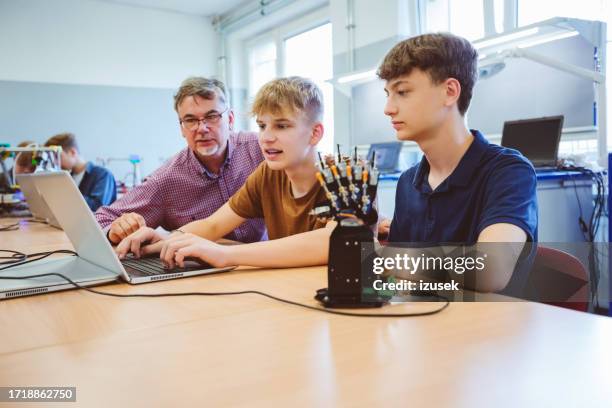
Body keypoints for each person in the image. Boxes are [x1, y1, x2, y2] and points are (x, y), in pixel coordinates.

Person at [115, 77, 337, 269]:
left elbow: (333, 241)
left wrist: (225, 255)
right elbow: (212, 225)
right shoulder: (268, 174)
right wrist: (164, 241)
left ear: (315, 133)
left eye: (281, 126)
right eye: (262, 126)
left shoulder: (345, 179)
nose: (266, 137)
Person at [378, 33, 538, 292]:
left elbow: (489, 270)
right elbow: (397, 281)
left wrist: (380, 257)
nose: (388, 108)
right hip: (422, 325)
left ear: (450, 91)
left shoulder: (508, 172)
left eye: (402, 92)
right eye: (388, 94)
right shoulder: (408, 182)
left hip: (490, 328)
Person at [94, 77, 266, 244]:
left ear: (230, 119)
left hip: (268, 263)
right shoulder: (166, 180)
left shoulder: (261, 151)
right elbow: (101, 219)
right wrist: (115, 230)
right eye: (190, 120)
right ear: (181, 128)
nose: (202, 128)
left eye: (212, 116)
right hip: (209, 271)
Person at [45, 133, 117, 211]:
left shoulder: (103, 175)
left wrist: (64, 193)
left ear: (72, 152)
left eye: (58, 157)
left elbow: (98, 207)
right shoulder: (68, 177)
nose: (55, 162)